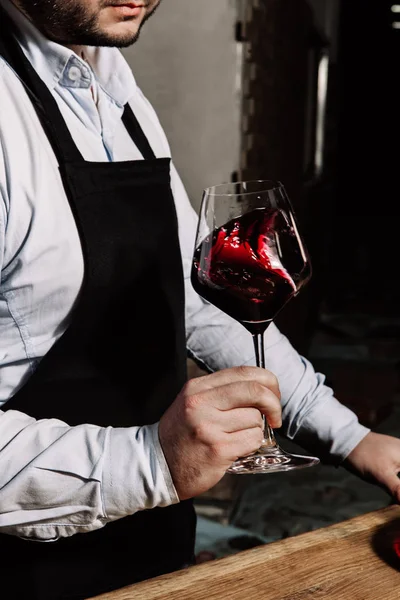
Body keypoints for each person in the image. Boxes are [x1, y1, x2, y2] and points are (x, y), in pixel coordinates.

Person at [0, 0, 399, 598]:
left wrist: (348, 436)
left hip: (151, 538)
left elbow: (193, 295)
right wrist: (152, 460)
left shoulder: (110, 82)